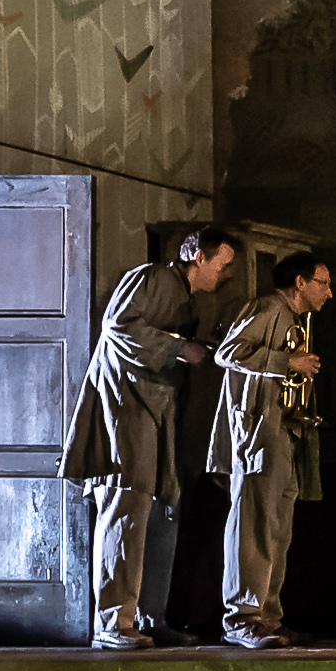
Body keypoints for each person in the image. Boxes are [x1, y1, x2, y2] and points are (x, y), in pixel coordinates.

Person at [58, 226, 235, 649]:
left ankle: (149, 616)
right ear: (197, 255)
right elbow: (118, 327)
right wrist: (179, 347)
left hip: (159, 410)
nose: (226, 275)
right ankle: (112, 623)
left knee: (162, 510)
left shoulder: (184, 296)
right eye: (223, 265)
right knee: (128, 503)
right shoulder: (151, 277)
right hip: (127, 404)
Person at [210, 250, 333, 648]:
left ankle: (268, 616)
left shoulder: (298, 320)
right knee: (254, 524)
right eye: (323, 283)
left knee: (277, 529)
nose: (329, 293)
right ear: (300, 282)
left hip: (284, 431)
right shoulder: (267, 307)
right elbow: (227, 352)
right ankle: (242, 618)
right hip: (258, 433)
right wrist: (286, 361)